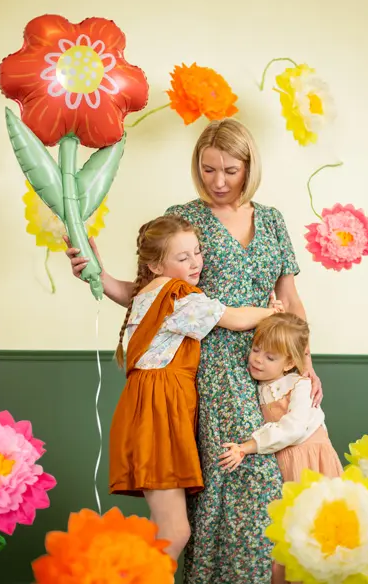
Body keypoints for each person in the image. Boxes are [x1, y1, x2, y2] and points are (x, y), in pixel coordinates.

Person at [64, 118, 323, 584]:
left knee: (281, 478)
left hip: (270, 367)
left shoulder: (272, 220)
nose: (218, 181)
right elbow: (150, 297)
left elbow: (291, 299)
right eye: (208, 169)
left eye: (230, 170)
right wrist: (96, 275)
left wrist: (304, 365)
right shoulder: (185, 218)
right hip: (209, 371)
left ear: (249, 167)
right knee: (235, 482)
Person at [110, 214, 282, 562]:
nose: (195, 263)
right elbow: (235, 319)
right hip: (159, 412)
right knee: (175, 532)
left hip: (147, 410)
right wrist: (270, 312)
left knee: (164, 530)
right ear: (156, 265)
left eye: (198, 252)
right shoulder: (178, 294)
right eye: (183, 257)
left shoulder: (147, 293)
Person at [218, 313, 342, 584]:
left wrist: (248, 446)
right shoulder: (257, 385)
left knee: (311, 538)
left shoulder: (300, 384)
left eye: (270, 357)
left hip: (309, 464)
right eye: (256, 349)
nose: (257, 359)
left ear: (289, 364)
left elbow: (293, 428)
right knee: (283, 542)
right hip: (284, 464)